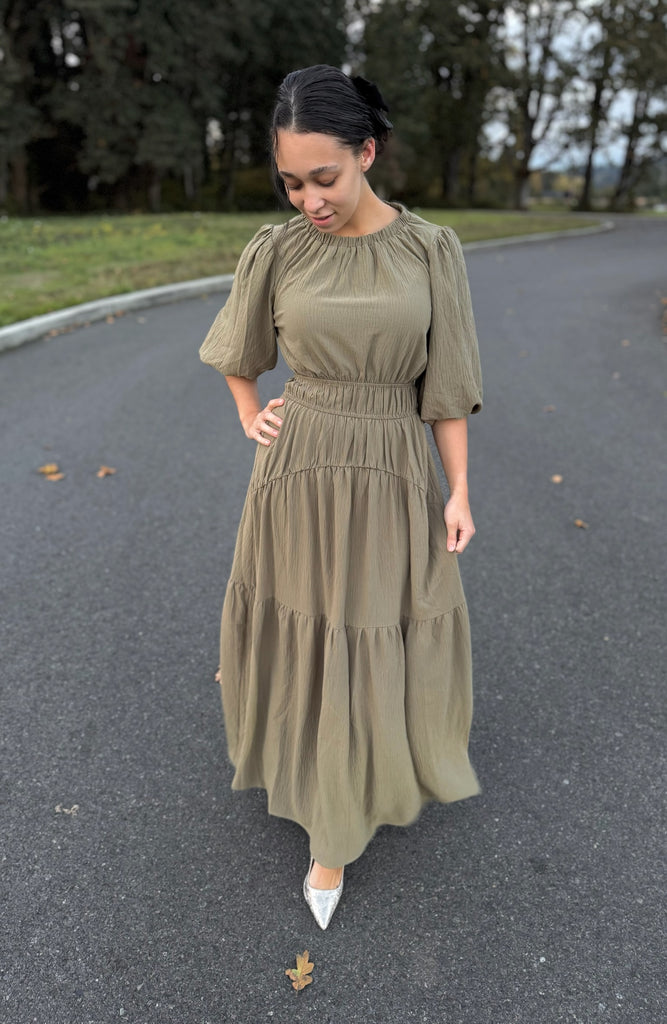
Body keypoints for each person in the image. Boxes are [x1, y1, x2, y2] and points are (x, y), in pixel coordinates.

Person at [199, 64, 483, 930]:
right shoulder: (277, 249)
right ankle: (315, 794)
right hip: (298, 469)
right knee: (305, 620)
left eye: (323, 176)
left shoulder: (430, 251)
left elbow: (446, 387)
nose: (308, 199)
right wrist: (249, 413)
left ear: (367, 152)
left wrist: (459, 490)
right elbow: (238, 351)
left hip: (392, 465)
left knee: (366, 626)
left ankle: (341, 816)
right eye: (291, 181)